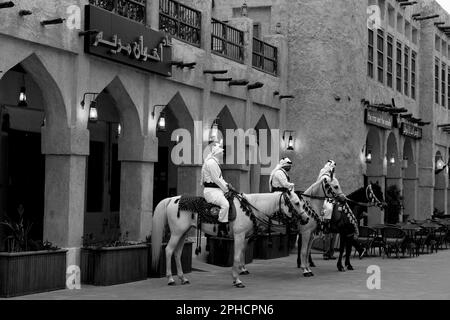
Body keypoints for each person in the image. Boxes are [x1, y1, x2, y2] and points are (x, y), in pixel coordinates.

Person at [201, 142, 233, 236]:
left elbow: (220, 179)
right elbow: (216, 180)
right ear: (218, 153)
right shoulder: (212, 163)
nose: (223, 154)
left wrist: (227, 185)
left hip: (216, 190)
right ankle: (222, 226)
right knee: (225, 205)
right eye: (222, 152)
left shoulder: (214, 163)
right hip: (212, 192)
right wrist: (227, 190)